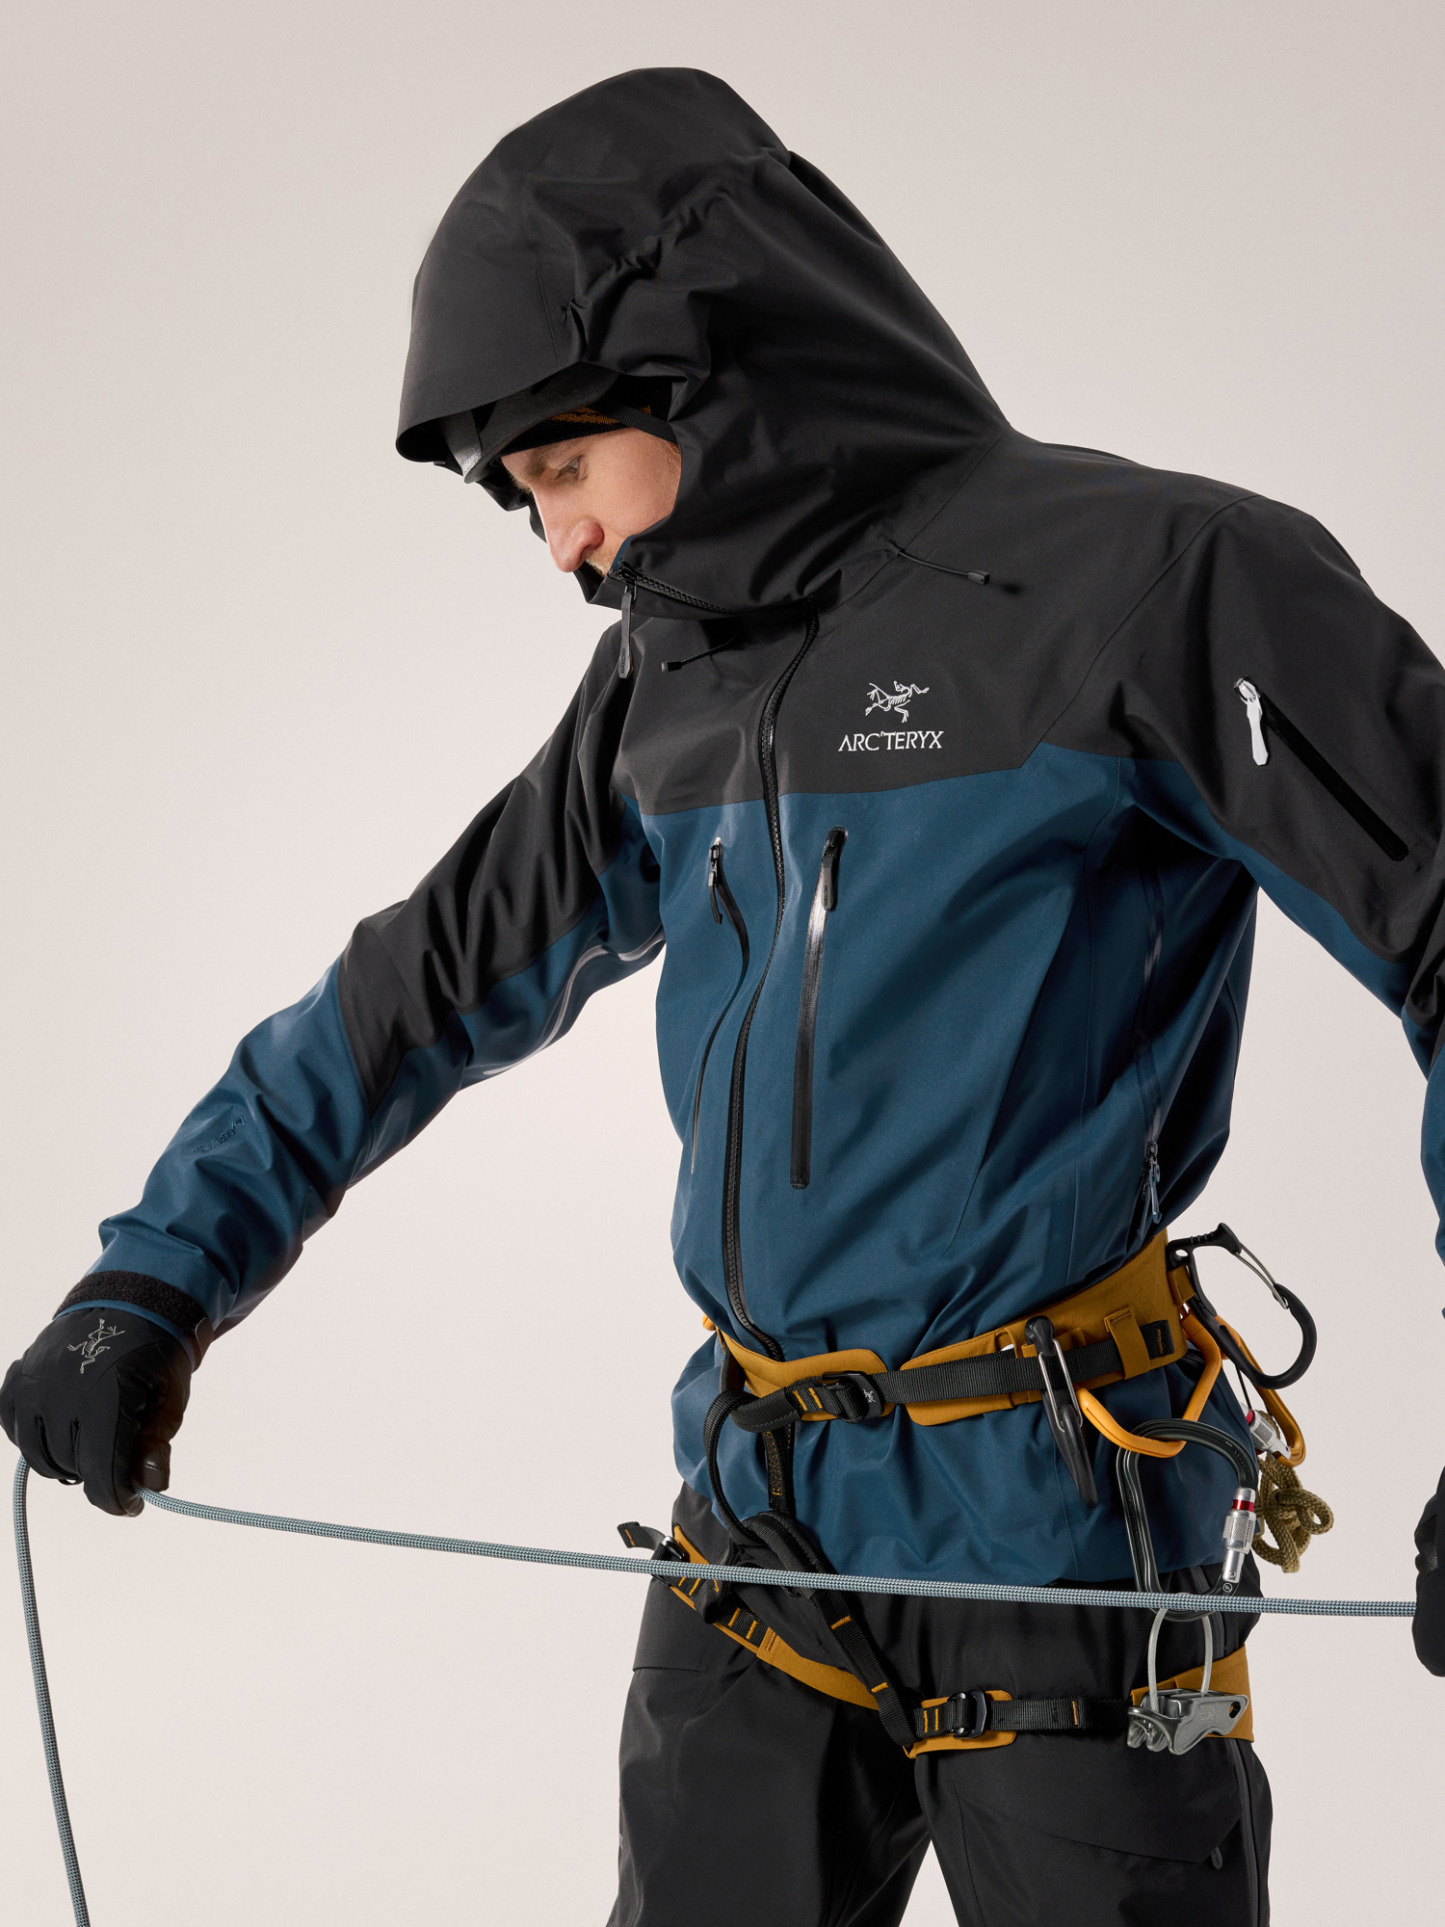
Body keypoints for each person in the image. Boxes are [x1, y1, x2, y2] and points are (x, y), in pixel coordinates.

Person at [4, 64, 1443, 1926]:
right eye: (523, 504)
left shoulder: (1157, 584)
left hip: (1063, 1525)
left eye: (560, 474)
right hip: (757, 1520)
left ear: (699, 371)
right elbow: (417, 988)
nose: (561, 547)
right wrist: (155, 1278)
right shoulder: (665, 681)